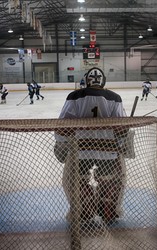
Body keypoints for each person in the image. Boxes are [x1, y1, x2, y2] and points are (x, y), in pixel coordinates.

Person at [55, 67, 128, 225]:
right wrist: (121, 145)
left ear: (86, 80)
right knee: (111, 182)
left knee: (75, 182)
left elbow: (63, 125)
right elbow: (122, 128)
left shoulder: (74, 96)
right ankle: (110, 210)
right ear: (103, 82)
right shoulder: (115, 97)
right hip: (108, 153)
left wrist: (60, 143)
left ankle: (83, 211)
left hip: (80, 152)